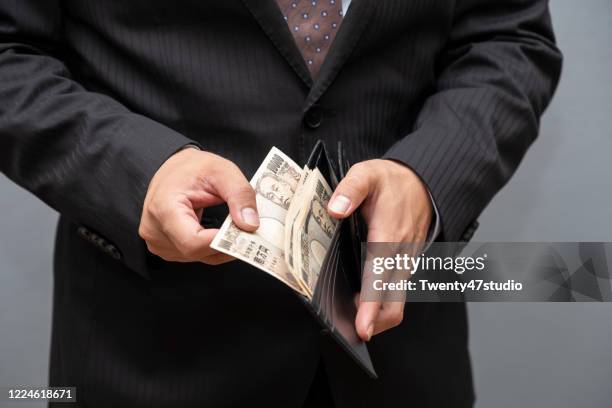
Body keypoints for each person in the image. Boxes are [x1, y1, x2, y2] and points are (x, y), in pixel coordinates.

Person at [0, 0, 562, 407]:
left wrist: (427, 176)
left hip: (397, 356)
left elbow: (509, 37)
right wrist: (137, 171)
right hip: (154, 355)